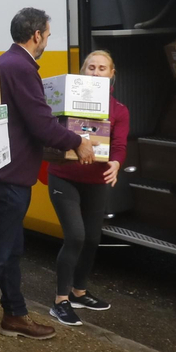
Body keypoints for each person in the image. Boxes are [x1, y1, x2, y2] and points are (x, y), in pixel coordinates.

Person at [0, 7, 94, 352]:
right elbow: (41, 125)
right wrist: (77, 141)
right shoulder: (20, 67)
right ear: (36, 35)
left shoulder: (7, 63)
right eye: (48, 35)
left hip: (6, 174)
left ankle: (14, 315)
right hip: (9, 179)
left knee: (12, 250)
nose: (47, 41)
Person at [46, 50, 131, 326]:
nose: (96, 72)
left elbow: (118, 146)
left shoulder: (119, 110)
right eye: (91, 67)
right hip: (64, 177)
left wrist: (116, 164)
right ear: (83, 72)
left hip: (96, 182)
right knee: (76, 236)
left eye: (102, 68)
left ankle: (79, 292)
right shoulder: (69, 103)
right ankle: (60, 301)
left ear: (111, 74)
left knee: (93, 239)